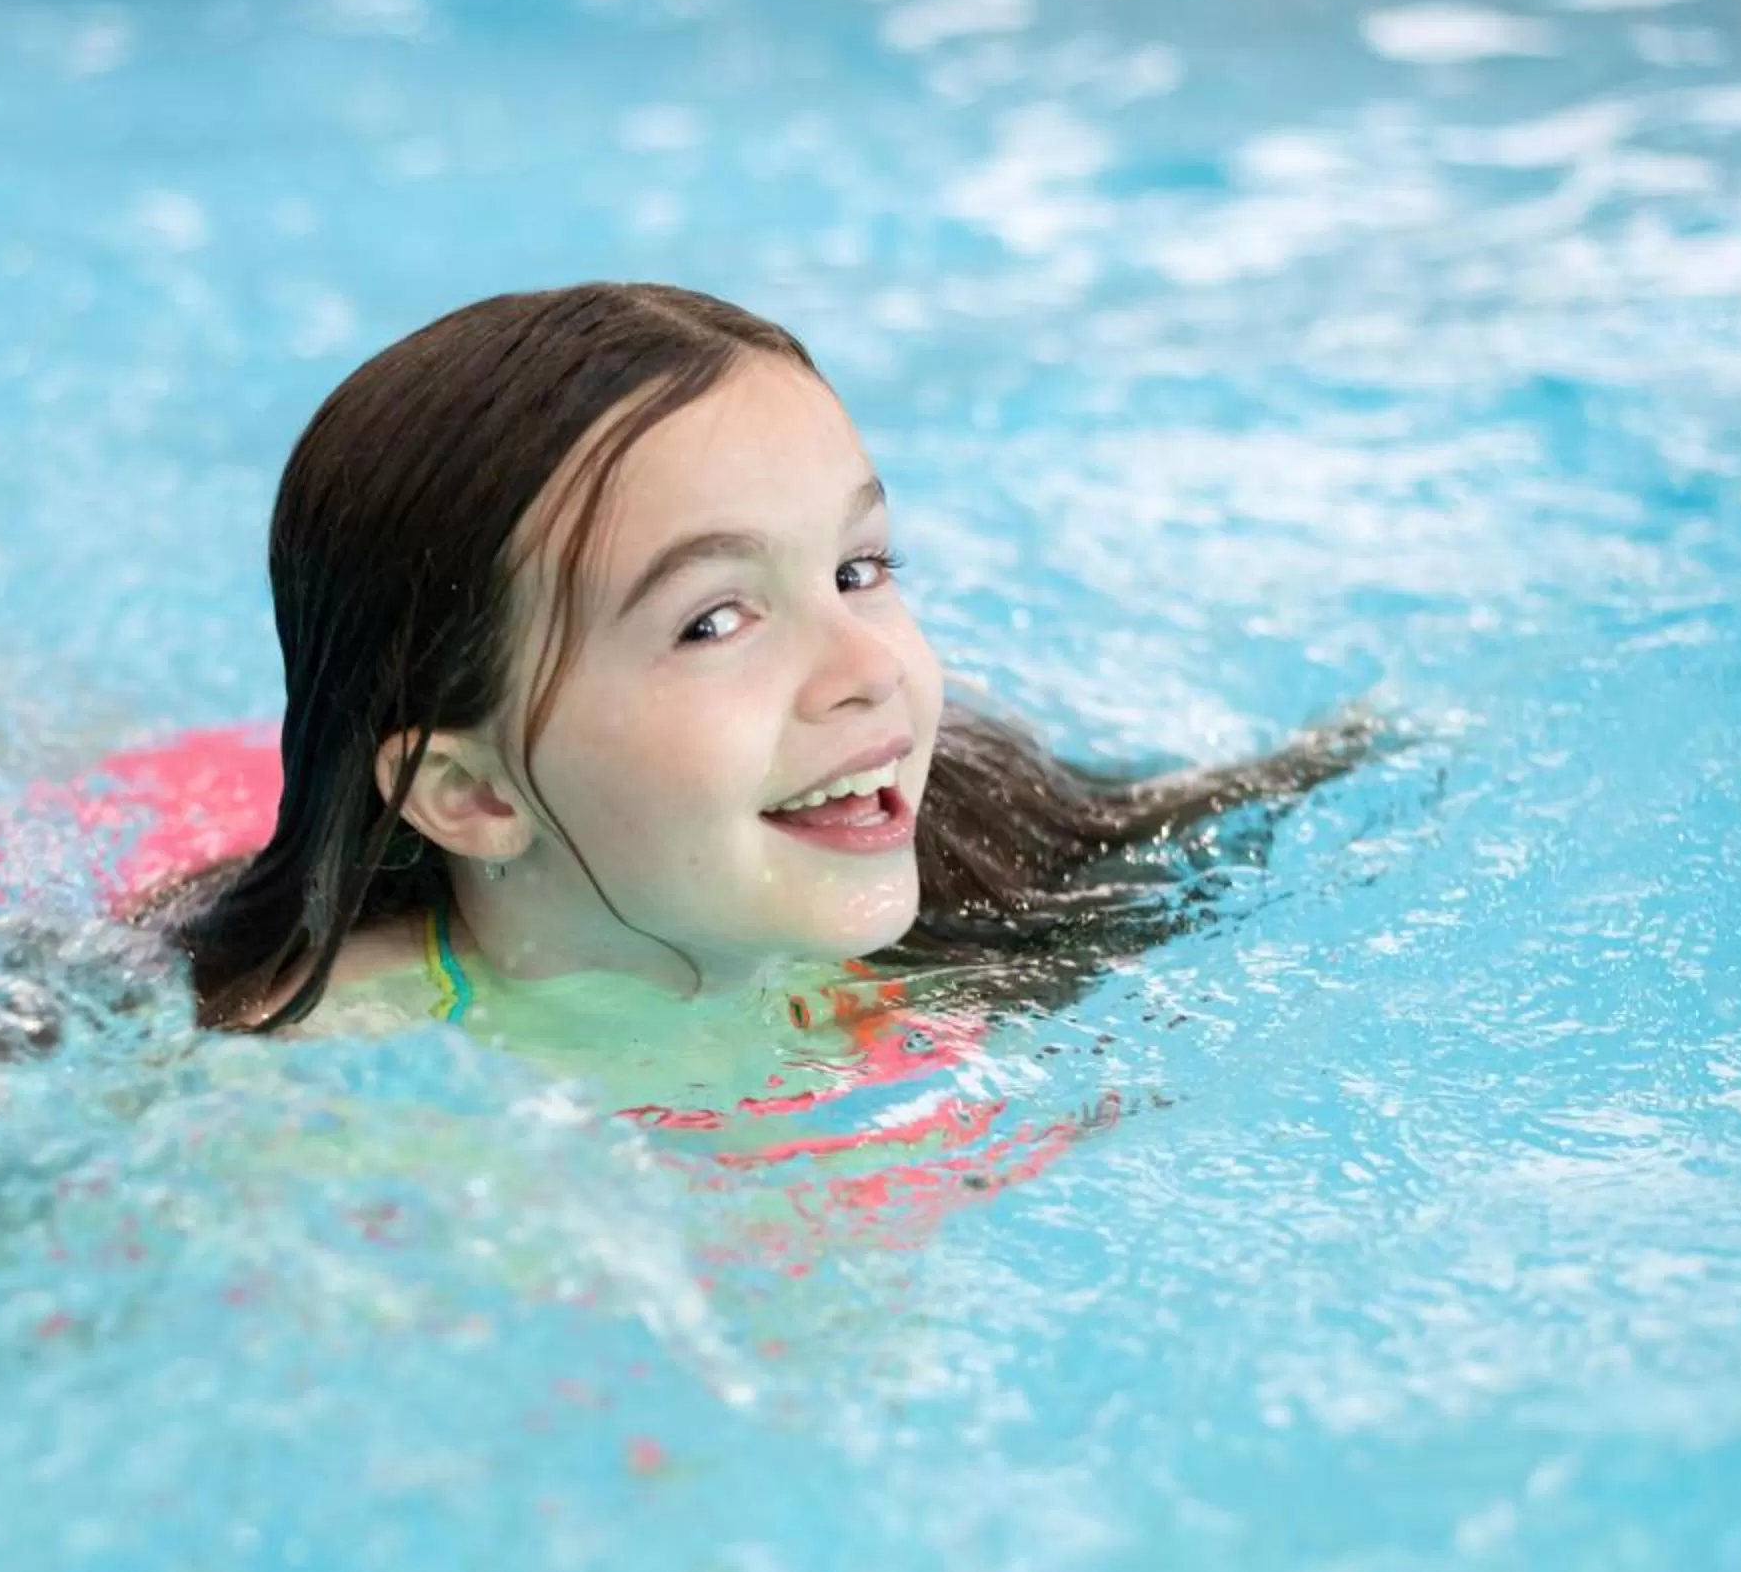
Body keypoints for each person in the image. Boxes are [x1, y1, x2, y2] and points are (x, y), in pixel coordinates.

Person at [137, 281, 1379, 1068]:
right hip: (174, 808)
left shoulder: (997, 875)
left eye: (858, 568)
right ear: (473, 794)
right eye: (716, 619)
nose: (866, 669)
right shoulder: (304, 1071)